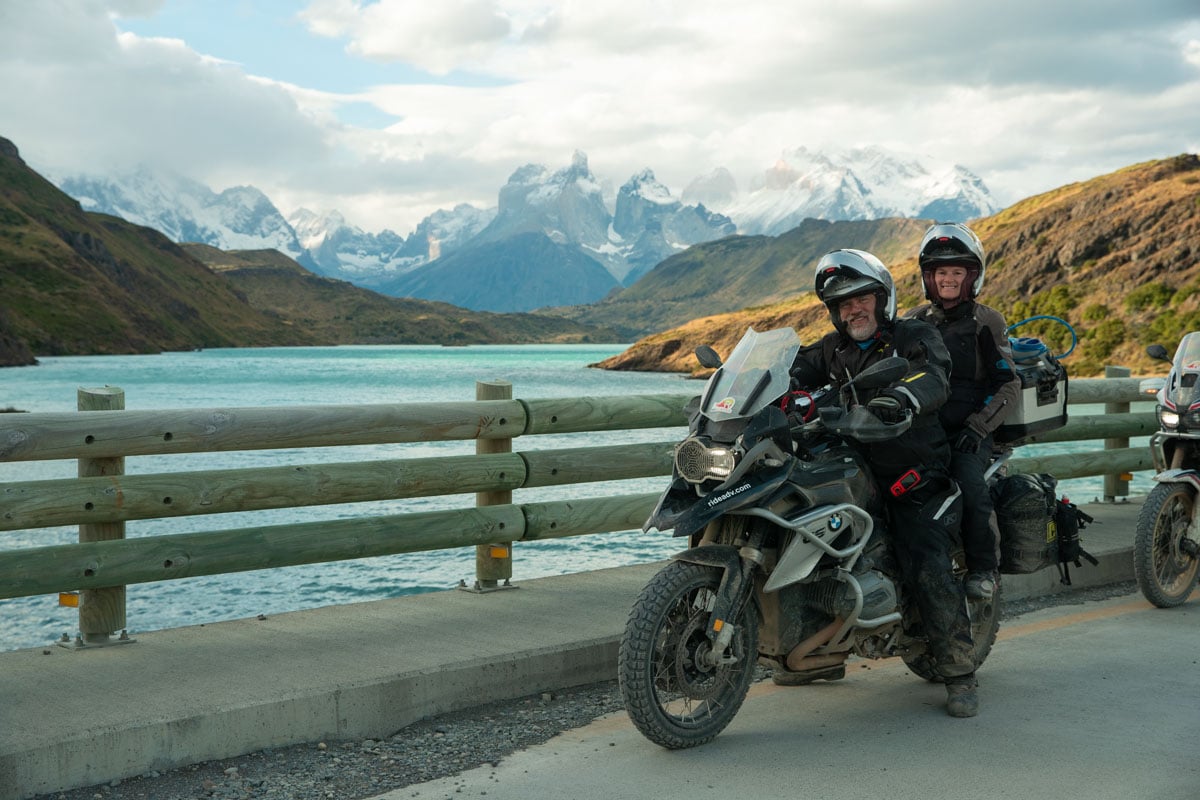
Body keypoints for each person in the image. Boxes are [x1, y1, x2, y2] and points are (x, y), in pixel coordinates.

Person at [788, 248, 980, 718]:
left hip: (911, 473)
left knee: (925, 557)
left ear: (883, 298)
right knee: (803, 542)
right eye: (842, 304)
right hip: (851, 470)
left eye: (861, 299)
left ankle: (959, 670)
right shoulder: (833, 349)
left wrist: (903, 398)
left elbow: (933, 375)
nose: (853, 310)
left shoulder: (915, 335)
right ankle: (818, 654)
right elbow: (791, 372)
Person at [905, 223, 1020, 601]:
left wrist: (977, 428)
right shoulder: (914, 322)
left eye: (957, 272)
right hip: (922, 429)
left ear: (972, 276)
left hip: (968, 429)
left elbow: (1008, 383)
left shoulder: (988, 321)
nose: (949, 280)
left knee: (970, 484)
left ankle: (985, 568)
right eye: (941, 273)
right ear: (929, 278)